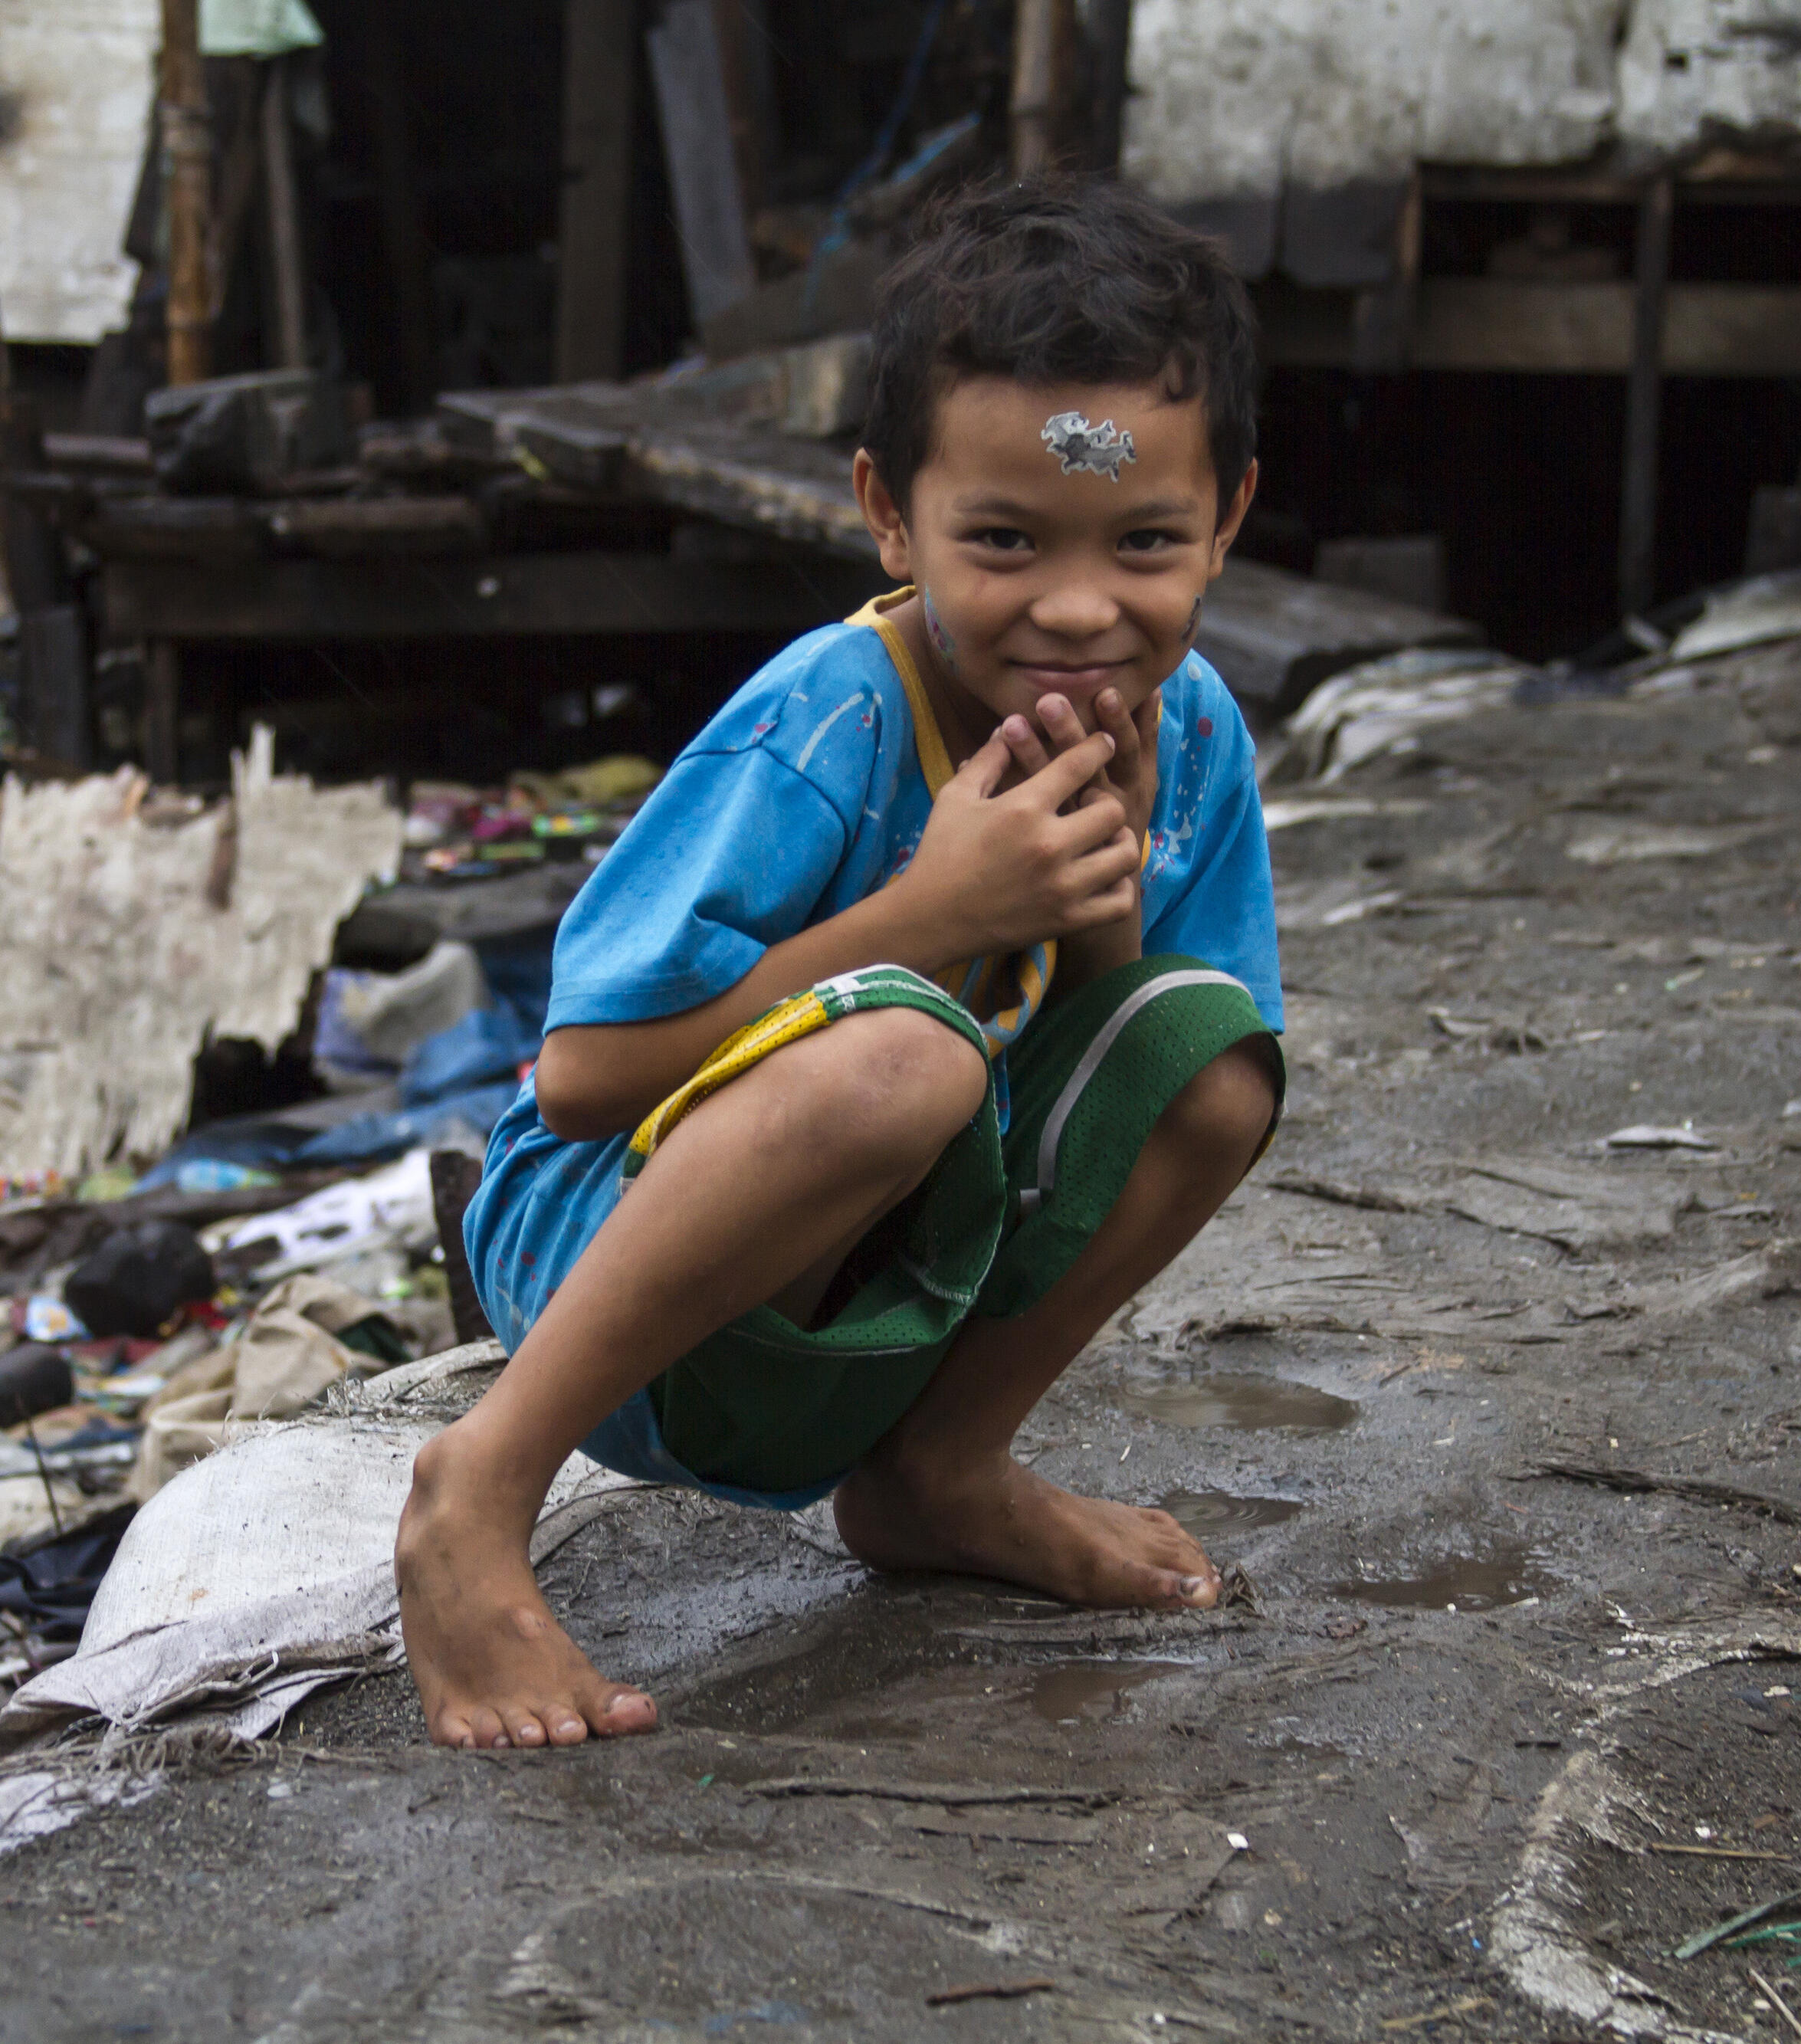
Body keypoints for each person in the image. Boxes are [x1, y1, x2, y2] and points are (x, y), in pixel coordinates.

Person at [395, 178, 1286, 1750]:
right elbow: (582, 1077)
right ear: (888, 510)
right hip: (620, 1276)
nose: (1079, 607)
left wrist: (1098, 893)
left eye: (1143, 539)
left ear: (1224, 520)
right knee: (906, 1053)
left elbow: (1119, 1077)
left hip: (882, 1292)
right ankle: (477, 1484)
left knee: (1208, 1057)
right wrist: (928, 912)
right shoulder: (832, 714)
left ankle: (936, 1470)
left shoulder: (1192, 734)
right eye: (1002, 539)